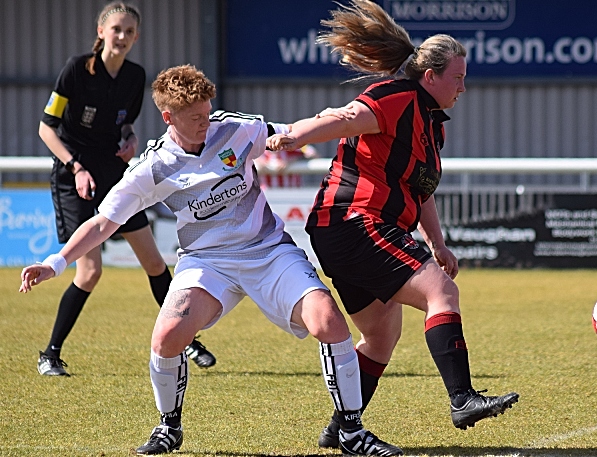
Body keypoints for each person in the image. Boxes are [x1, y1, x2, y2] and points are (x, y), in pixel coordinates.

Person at [21, 64, 402, 456]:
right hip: (207, 261)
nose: (207, 121)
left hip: (267, 250)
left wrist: (337, 120)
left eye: (208, 111)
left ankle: (352, 433)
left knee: (329, 321)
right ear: (168, 118)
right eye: (196, 118)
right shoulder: (153, 167)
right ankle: (169, 427)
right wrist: (57, 262)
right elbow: (102, 222)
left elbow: (285, 134)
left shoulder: (235, 129)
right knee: (167, 337)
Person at [266, 0, 519, 449]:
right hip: (352, 220)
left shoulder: (431, 125)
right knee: (441, 292)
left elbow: (420, 190)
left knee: (381, 336)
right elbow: (342, 119)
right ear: (431, 76)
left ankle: (341, 427)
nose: (464, 87)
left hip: (351, 229)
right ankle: (462, 398)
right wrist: (292, 135)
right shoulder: (396, 97)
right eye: (458, 77)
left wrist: (437, 243)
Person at [36, 2, 215, 376]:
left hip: (115, 174)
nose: (122, 37)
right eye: (116, 29)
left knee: (154, 262)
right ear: (101, 32)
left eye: (129, 31)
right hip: (75, 177)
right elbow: (46, 128)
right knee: (89, 272)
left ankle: (189, 341)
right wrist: (76, 166)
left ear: (136, 37)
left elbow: (126, 126)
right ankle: (50, 354)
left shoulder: (135, 77)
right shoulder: (76, 69)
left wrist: (130, 138)